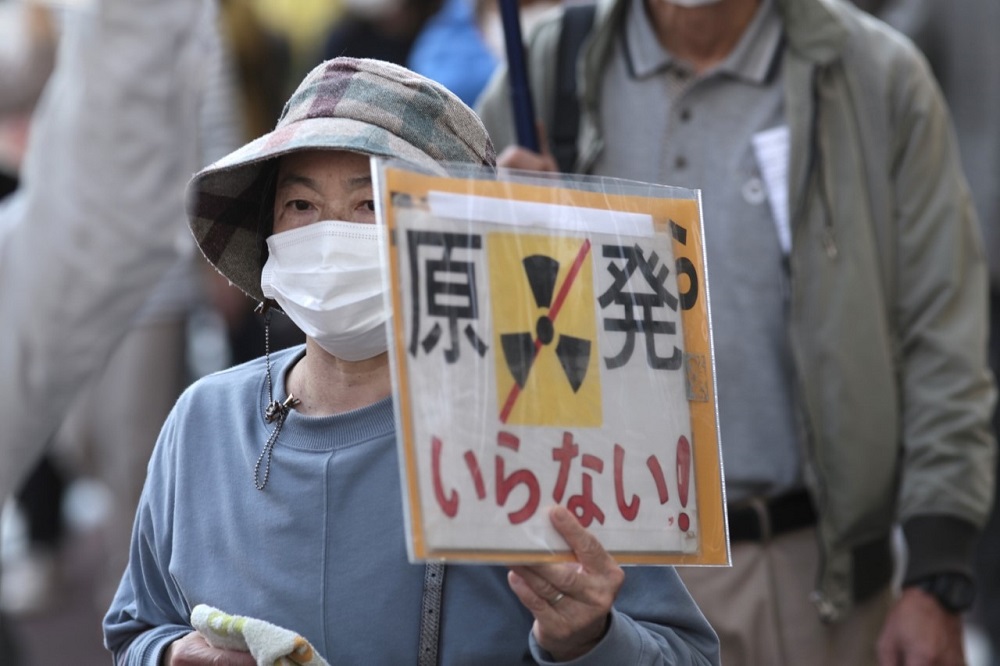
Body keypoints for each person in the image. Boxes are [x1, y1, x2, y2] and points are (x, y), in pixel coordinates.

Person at [102, 57, 720, 665]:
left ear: (460, 238)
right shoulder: (201, 423)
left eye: (372, 203)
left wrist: (589, 640)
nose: (330, 235)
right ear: (269, 232)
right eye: (301, 205)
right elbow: (135, 630)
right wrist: (174, 654)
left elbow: (684, 654)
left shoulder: (544, 425)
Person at [476, 0, 996, 664]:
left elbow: (943, 332)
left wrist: (935, 576)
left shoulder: (872, 73)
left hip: (818, 576)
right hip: (619, 582)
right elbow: (465, 329)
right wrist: (507, 231)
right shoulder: (553, 63)